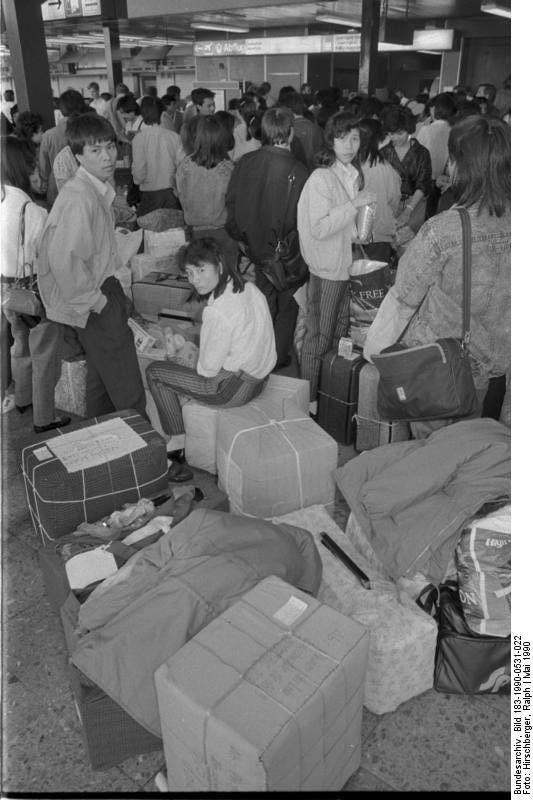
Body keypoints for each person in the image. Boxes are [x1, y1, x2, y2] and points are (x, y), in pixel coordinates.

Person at [364, 115, 510, 439]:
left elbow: (403, 297)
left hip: (444, 369)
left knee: (435, 453)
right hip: (498, 368)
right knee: (476, 451)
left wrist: (374, 351)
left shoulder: (445, 229)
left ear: (460, 164)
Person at [37, 113, 146, 419]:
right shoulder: (79, 197)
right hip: (93, 296)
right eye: (95, 150)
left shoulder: (93, 189)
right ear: (77, 156)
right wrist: (96, 303)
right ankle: (150, 458)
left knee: (101, 379)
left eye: (110, 146)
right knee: (126, 382)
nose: (108, 156)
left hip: (99, 289)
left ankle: (104, 443)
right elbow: (63, 259)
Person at [146, 237, 276, 482]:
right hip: (261, 379)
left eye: (201, 270)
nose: (195, 279)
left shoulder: (216, 311)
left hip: (232, 390)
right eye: (189, 273)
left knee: (156, 371)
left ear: (219, 264)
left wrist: (187, 362)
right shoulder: (250, 288)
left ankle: (177, 442)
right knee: (185, 360)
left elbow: (207, 370)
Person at [296, 111, 377, 401]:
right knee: (318, 337)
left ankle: (332, 394)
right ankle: (308, 401)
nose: (349, 145)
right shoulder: (322, 178)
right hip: (327, 269)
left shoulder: (352, 174)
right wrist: (353, 205)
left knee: (342, 333)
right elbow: (319, 228)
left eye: (354, 138)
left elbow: (343, 226)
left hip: (347, 266)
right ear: (330, 140)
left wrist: (360, 233)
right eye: (342, 138)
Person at [226, 106, 309, 369]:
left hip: (253, 249)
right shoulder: (300, 169)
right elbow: (302, 218)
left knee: (261, 302)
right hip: (287, 252)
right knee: (287, 306)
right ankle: (278, 358)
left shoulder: (245, 162)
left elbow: (232, 203)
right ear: (291, 132)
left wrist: (243, 240)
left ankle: (259, 356)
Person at [1, 137, 70, 433]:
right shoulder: (32, 211)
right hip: (33, 292)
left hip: (6, 291)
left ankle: (22, 400)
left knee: (20, 347)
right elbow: (48, 257)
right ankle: (45, 418)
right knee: (45, 353)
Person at [176, 114, 238, 270]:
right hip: (224, 233)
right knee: (227, 282)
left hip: (196, 233)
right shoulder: (228, 168)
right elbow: (234, 204)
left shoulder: (184, 166)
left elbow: (182, 197)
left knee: (202, 280)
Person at [380, 105, 432, 242]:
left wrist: (408, 210)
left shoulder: (421, 153)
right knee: (388, 243)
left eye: (400, 133)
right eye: (391, 134)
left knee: (409, 246)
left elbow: (423, 184)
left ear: (409, 130)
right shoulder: (383, 153)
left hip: (414, 203)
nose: (395, 138)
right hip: (389, 205)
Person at [131, 97, 185, 217]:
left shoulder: (139, 138)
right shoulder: (174, 136)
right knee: (174, 231)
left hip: (150, 194)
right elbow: (182, 166)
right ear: (162, 113)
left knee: (150, 230)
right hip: (172, 193)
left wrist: (138, 181)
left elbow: (139, 171)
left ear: (143, 115)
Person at [357, 116, 401, 262]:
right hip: (379, 234)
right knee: (374, 281)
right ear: (378, 140)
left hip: (351, 234)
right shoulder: (386, 169)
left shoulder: (349, 166)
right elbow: (394, 200)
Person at [38, 88, 87, 209]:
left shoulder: (48, 135)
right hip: (86, 189)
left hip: (57, 191)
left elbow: (44, 170)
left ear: (61, 109)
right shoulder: (89, 132)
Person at [415, 92, 456, 219]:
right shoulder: (454, 130)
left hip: (426, 179)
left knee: (421, 214)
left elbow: (417, 155)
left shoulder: (425, 129)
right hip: (446, 180)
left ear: (435, 109)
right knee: (435, 212)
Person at [180, 88, 215, 153]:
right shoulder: (191, 125)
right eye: (209, 106)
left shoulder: (215, 122)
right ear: (198, 106)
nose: (213, 108)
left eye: (214, 105)